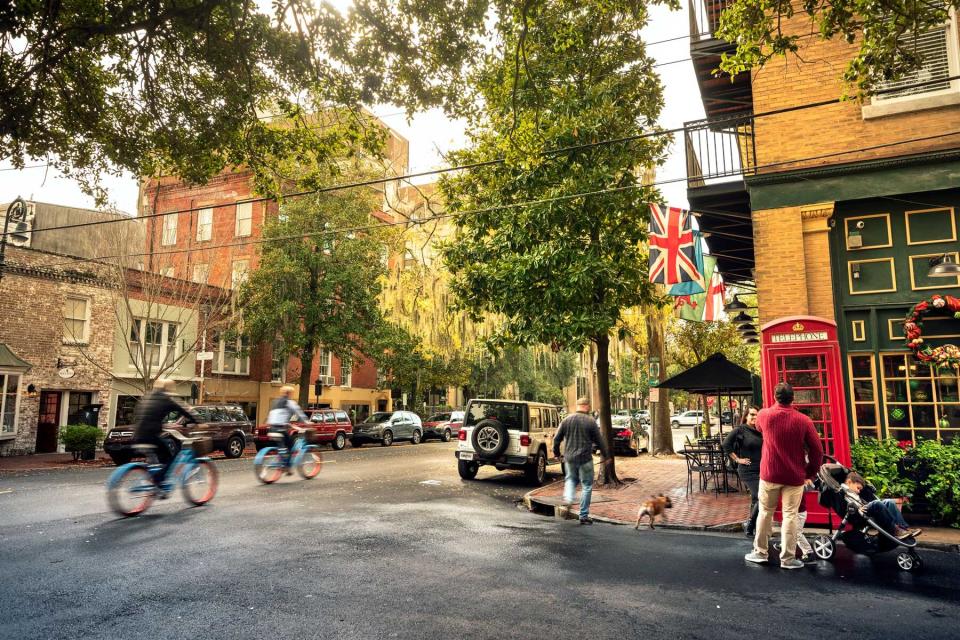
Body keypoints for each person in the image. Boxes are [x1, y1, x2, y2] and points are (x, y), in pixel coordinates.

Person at [744, 383, 823, 570]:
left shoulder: (763, 414)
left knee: (765, 513)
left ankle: (760, 552)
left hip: (770, 474)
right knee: (790, 516)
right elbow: (817, 450)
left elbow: (761, 429)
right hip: (795, 476)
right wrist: (810, 472)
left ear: (775, 396)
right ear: (792, 398)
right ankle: (788, 559)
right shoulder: (804, 420)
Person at [553, 397, 611, 525]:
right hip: (585, 459)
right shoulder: (590, 421)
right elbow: (599, 440)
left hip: (569, 458)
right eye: (588, 406)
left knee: (570, 480)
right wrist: (606, 456)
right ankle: (583, 515)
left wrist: (557, 454)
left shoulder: (567, 420)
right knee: (587, 486)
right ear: (586, 406)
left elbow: (556, 439)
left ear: (577, 406)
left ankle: (568, 499)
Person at [132, 379, 198, 487]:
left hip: (137, 435)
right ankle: (159, 481)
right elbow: (185, 410)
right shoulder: (167, 398)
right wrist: (198, 421)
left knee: (157, 455)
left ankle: (151, 479)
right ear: (168, 388)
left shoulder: (147, 397)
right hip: (151, 435)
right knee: (171, 455)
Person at [842, 472, 921, 540]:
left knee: (889, 501)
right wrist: (857, 508)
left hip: (865, 508)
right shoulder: (843, 491)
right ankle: (895, 530)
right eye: (858, 488)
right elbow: (848, 504)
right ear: (849, 482)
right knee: (877, 503)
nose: (859, 491)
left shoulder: (852, 492)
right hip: (859, 513)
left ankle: (904, 528)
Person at [722, 405, 762, 537]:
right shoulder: (740, 430)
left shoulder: (761, 430)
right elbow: (725, 444)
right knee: (760, 496)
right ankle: (750, 524)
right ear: (746, 416)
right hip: (748, 470)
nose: (754, 417)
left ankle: (753, 526)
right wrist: (738, 459)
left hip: (762, 469)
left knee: (756, 499)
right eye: (752, 414)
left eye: (757, 414)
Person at [266, 386, 309, 465]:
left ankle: (281, 459)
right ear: (289, 393)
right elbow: (299, 414)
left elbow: (277, 417)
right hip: (280, 429)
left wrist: (289, 425)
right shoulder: (290, 402)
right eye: (292, 393)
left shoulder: (275, 402)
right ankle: (286, 465)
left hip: (271, 428)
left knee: (281, 446)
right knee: (291, 445)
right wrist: (307, 422)